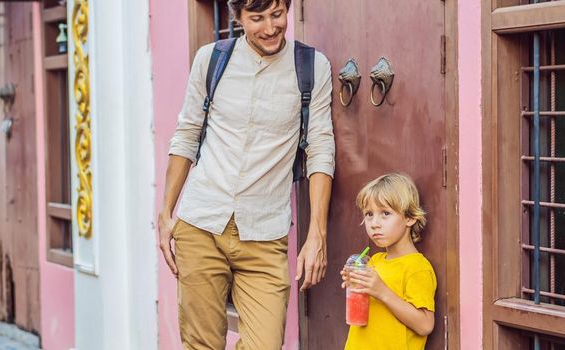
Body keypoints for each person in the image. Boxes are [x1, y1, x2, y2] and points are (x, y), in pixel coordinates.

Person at [155, 0, 336, 348]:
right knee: (201, 344)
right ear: (236, 17)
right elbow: (187, 134)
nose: (270, 28)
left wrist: (318, 234)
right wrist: (166, 212)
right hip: (201, 223)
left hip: (265, 233)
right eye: (256, 18)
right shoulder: (210, 60)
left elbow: (320, 148)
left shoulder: (311, 66)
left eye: (277, 14)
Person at [342, 173, 436, 350]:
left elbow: (425, 325)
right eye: (369, 214)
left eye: (385, 213)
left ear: (409, 218)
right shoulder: (375, 261)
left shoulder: (417, 267)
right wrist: (354, 281)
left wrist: (382, 291)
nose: (374, 223)